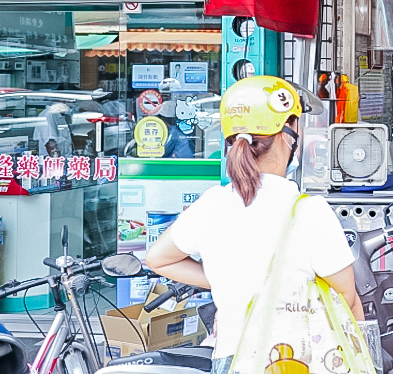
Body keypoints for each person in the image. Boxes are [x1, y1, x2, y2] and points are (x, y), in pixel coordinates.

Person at [146, 76, 364, 374]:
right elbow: (347, 300)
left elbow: (157, 258)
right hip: (298, 361)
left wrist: (232, 280)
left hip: (231, 361)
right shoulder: (309, 212)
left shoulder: (210, 205)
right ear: (289, 134)